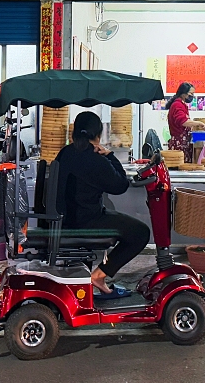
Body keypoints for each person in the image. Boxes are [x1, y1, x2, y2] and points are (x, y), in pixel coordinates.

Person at [55, 111, 150, 299]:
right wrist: (110, 156)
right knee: (140, 233)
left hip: (64, 219)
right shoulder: (95, 160)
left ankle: (92, 278)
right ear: (98, 135)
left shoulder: (65, 152)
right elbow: (121, 185)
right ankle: (98, 276)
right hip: (86, 221)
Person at [166, 82, 205, 162]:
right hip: (179, 145)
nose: (192, 96)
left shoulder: (182, 104)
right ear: (183, 94)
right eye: (191, 93)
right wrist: (199, 123)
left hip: (183, 143)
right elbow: (183, 122)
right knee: (180, 169)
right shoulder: (177, 105)